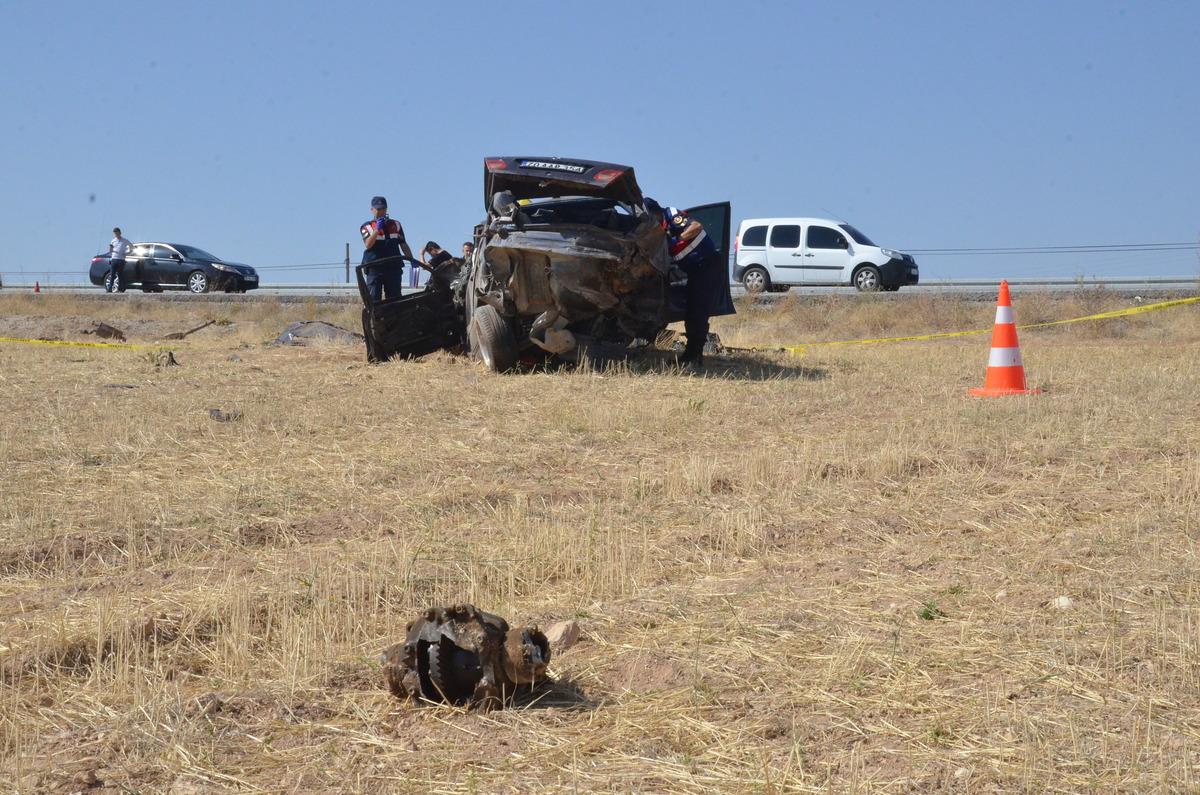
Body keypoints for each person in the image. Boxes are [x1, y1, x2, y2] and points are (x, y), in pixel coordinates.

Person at [645, 198, 721, 367]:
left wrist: (674, 240)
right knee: (692, 313)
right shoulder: (657, 230)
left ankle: (694, 357)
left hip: (707, 265)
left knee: (698, 312)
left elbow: (696, 226)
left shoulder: (671, 215)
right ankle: (691, 355)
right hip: (694, 271)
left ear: (656, 212)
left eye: (650, 217)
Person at [360, 196, 414, 301]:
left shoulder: (396, 224)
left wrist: (412, 260)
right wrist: (376, 230)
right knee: (374, 300)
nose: (381, 211)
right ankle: (375, 317)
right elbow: (368, 245)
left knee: (395, 300)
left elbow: (403, 244)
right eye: (378, 209)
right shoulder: (367, 226)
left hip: (393, 268)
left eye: (383, 209)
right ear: (372, 210)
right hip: (374, 269)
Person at [107, 227, 133, 293]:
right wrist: (111, 250)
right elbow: (110, 249)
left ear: (120, 233)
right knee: (112, 274)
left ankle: (120, 289)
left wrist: (127, 253)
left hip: (121, 260)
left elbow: (131, 246)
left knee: (120, 274)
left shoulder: (124, 240)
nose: (116, 234)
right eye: (115, 233)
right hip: (114, 259)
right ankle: (110, 289)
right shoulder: (113, 241)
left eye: (117, 233)